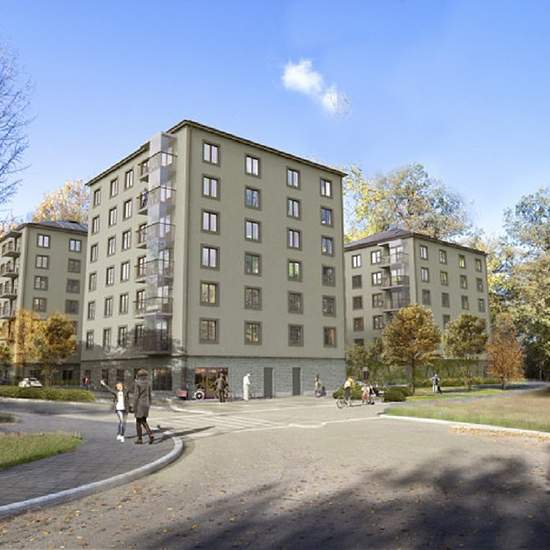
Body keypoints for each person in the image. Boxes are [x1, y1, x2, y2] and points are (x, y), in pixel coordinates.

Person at [133, 369, 154, 444]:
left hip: (140, 404)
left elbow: (136, 396)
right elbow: (149, 395)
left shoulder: (137, 383)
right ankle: (150, 435)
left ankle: (140, 439)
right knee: (143, 420)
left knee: (138, 421)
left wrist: (134, 406)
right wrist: (149, 403)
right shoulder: (148, 383)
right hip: (146, 403)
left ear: (138, 375)